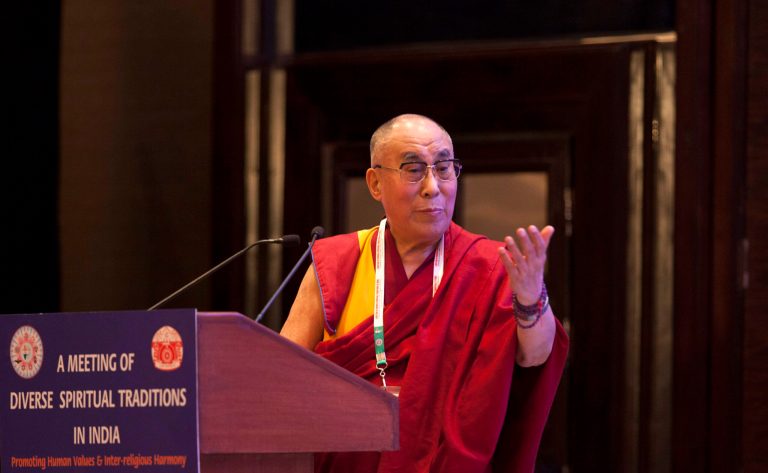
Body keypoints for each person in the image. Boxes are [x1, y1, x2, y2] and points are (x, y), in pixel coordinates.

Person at [281, 114, 568, 472]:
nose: (433, 186)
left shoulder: (488, 266)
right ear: (375, 183)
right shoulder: (338, 262)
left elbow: (536, 356)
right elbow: (282, 375)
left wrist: (530, 300)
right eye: (413, 170)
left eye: (444, 168)